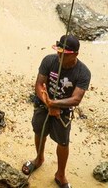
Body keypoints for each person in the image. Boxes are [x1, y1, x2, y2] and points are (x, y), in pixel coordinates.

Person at [21, 34, 91, 188]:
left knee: (63, 142)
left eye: (64, 54)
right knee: (39, 132)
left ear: (75, 55)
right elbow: (39, 84)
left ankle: (60, 174)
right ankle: (39, 159)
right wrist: (48, 104)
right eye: (59, 51)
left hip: (63, 112)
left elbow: (76, 99)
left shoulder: (83, 72)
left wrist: (55, 104)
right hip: (43, 104)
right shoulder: (49, 60)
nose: (60, 55)